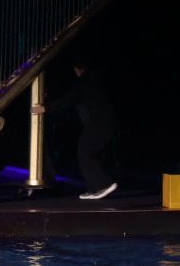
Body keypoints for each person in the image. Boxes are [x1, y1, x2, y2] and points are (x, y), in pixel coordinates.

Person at [31, 57, 118, 200]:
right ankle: (94, 187)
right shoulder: (95, 79)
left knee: (84, 152)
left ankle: (104, 184)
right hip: (103, 122)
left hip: (100, 123)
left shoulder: (85, 80)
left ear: (77, 69)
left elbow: (69, 99)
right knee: (87, 153)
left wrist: (46, 108)